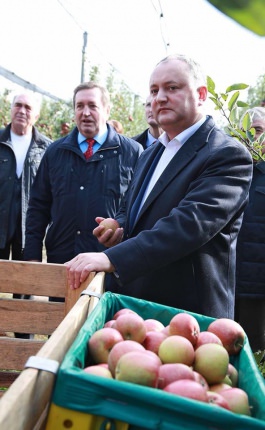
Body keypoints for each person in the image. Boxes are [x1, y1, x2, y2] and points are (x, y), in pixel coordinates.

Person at [65, 54, 253, 320]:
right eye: (154, 90)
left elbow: (187, 226)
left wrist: (113, 258)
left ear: (201, 94)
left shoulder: (226, 155)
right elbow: (130, 207)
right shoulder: (151, 153)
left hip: (188, 317)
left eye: (172, 88)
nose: (160, 97)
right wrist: (119, 226)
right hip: (138, 308)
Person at [24, 82, 143, 266]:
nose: (85, 112)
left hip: (109, 262)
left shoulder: (131, 152)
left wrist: (120, 226)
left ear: (107, 110)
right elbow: (38, 206)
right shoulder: (55, 152)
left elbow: (138, 206)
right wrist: (32, 255)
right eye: (79, 106)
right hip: (62, 261)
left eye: (92, 106)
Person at [0, 92, 52, 338]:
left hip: (27, 227)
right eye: (17, 105)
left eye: (27, 107)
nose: (21, 110)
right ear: (10, 109)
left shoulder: (46, 148)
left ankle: (23, 339)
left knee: (24, 283)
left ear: (37, 114)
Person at [235, 107, 265, 351]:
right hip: (228, 283)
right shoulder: (231, 169)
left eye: (259, 130)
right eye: (248, 130)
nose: (253, 137)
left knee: (255, 351)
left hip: (258, 287)